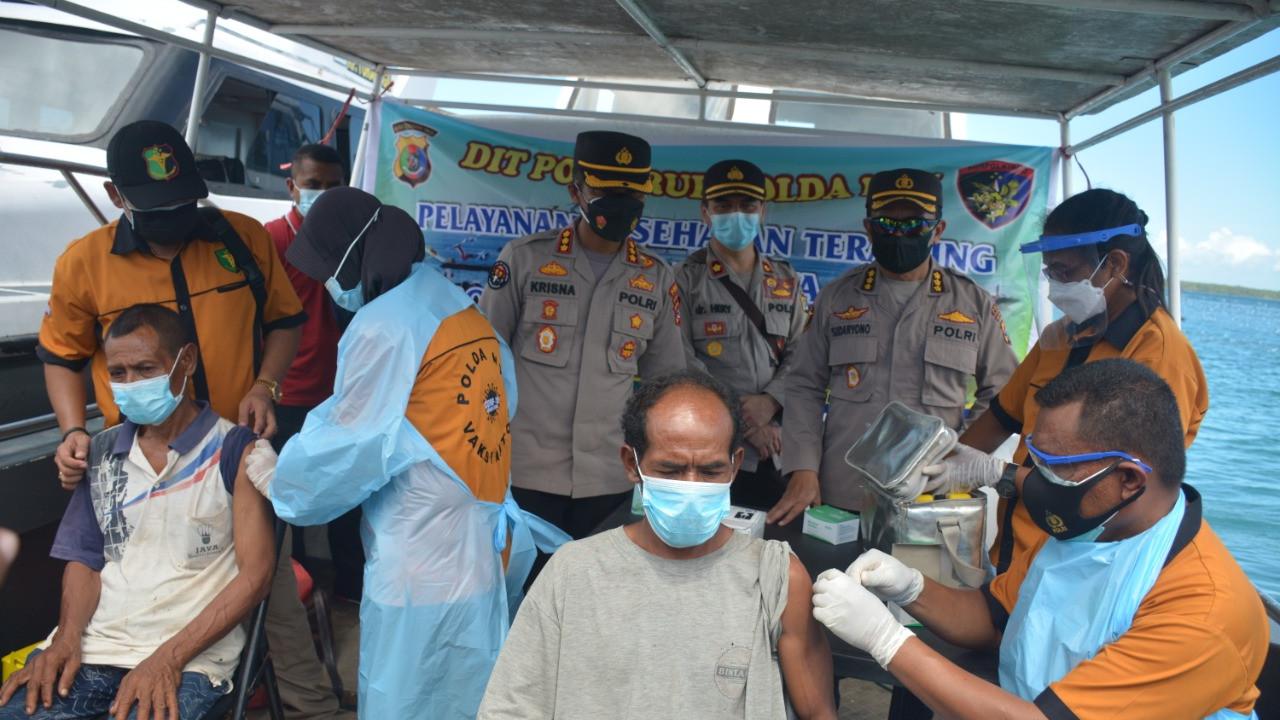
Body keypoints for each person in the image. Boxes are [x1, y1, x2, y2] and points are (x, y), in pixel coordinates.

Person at [37, 120, 348, 719]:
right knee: (133, 585)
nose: (174, 219)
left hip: (232, 461)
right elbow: (61, 356)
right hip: (140, 467)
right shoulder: (85, 265)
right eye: (156, 207)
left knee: (272, 600)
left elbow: (285, 321)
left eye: (184, 202)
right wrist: (75, 429)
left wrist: (266, 384)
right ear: (117, 196)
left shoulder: (243, 239)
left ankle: (314, 710)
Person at [812, 359, 1267, 719]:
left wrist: (884, 639)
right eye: (1035, 458)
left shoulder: (1203, 610)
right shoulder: (1089, 528)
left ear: (1128, 478)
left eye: (1055, 466)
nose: (1033, 479)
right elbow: (995, 619)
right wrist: (909, 587)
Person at [272, 187, 567, 719]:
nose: (332, 288)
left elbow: (350, 445)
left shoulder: (387, 324)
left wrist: (277, 477)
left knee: (406, 698)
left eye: (331, 273)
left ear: (356, 258)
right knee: (468, 693)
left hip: (423, 558)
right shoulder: (460, 310)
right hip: (480, 548)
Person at [478, 371, 837, 720]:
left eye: (710, 471)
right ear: (631, 466)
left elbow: (818, 712)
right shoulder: (573, 574)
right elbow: (511, 706)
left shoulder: (775, 579)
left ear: (735, 465)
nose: (691, 486)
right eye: (671, 470)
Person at [0, 304, 276, 720]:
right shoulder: (102, 451)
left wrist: (168, 658)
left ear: (187, 361)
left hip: (190, 656)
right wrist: (66, 638)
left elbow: (255, 576)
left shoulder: (236, 451)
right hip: (96, 646)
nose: (130, 384)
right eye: (118, 373)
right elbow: (85, 560)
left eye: (146, 369)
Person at [922, 189, 1209, 573]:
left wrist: (998, 474)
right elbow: (1000, 419)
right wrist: (937, 470)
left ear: (1115, 265)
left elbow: (1119, 491)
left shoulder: (1157, 354)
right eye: (1049, 273)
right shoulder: (1062, 336)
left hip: (1085, 568)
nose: (1056, 288)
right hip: (1017, 557)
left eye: (1065, 273)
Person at [478, 130, 686, 542]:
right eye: (606, 188)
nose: (621, 201)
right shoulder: (524, 259)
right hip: (524, 471)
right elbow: (484, 358)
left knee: (593, 599)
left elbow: (667, 385)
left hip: (610, 478)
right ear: (576, 190)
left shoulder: (657, 278)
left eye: (631, 191)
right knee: (522, 595)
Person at [777, 168, 1017, 521]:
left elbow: (1004, 394)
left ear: (937, 230)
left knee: (925, 579)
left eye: (914, 224)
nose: (900, 233)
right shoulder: (837, 298)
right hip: (842, 492)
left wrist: (960, 459)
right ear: (869, 228)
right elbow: (802, 386)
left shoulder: (972, 303)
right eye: (888, 223)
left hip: (932, 495)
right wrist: (802, 469)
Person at [675, 159, 808, 510]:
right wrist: (744, 420)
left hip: (777, 448)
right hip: (709, 447)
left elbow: (803, 353)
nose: (737, 215)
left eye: (747, 206)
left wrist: (771, 401)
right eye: (724, 206)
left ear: (762, 211)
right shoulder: (684, 280)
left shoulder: (786, 280)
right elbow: (680, 358)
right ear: (706, 213)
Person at [264, 142, 362, 601]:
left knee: (349, 496)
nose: (322, 194)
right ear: (291, 187)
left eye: (332, 185)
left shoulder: (356, 239)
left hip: (344, 396)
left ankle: (347, 588)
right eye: (312, 185)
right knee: (286, 499)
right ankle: (297, 590)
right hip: (286, 396)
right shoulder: (270, 241)